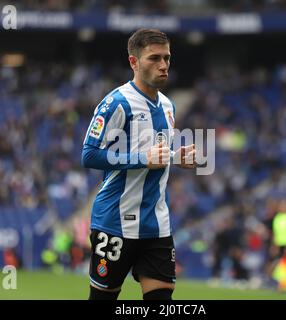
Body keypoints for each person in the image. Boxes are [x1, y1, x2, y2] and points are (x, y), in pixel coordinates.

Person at [81, 28, 196, 300]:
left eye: (166, 58)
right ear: (134, 62)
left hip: (156, 224)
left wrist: (176, 156)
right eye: (154, 58)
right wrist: (142, 159)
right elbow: (89, 155)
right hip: (115, 224)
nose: (163, 65)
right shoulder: (116, 104)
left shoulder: (168, 106)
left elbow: (156, 153)